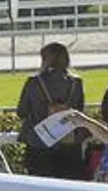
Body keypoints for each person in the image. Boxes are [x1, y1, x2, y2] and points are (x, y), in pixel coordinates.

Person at [16, 42, 90, 180]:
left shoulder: (34, 82)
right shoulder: (76, 83)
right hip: (68, 141)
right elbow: (80, 110)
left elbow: (22, 111)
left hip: (39, 142)